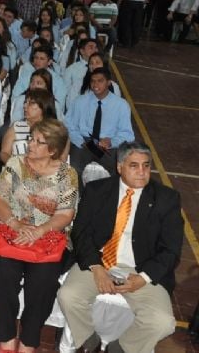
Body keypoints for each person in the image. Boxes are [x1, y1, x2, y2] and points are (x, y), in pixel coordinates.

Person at [58, 142, 182, 353]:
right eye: (134, 165)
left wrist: (143, 278)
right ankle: (90, 339)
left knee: (163, 323)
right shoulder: (97, 190)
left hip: (141, 268)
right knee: (68, 296)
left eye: (146, 165)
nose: (142, 172)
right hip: (100, 261)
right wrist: (96, 269)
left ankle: (122, 347)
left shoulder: (166, 199)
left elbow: (171, 250)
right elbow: (81, 233)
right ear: (119, 167)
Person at [0, 119, 78, 353]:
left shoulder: (66, 175)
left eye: (39, 142)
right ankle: (6, 336)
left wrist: (39, 230)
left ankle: (29, 340)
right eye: (31, 138)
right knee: (2, 273)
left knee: (43, 281)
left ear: (53, 150)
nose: (31, 144)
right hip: (12, 231)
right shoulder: (16, 164)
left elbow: (66, 214)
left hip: (47, 237)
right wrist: (15, 223)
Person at [66, 67, 134, 185]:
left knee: (117, 171)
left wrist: (112, 141)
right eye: (92, 81)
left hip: (108, 146)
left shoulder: (121, 105)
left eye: (100, 81)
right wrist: (80, 141)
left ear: (108, 83)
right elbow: (68, 125)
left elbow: (128, 133)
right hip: (84, 142)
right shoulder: (80, 101)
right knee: (74, 169)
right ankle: (81, 199)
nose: (95, 84)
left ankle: (107, 199)